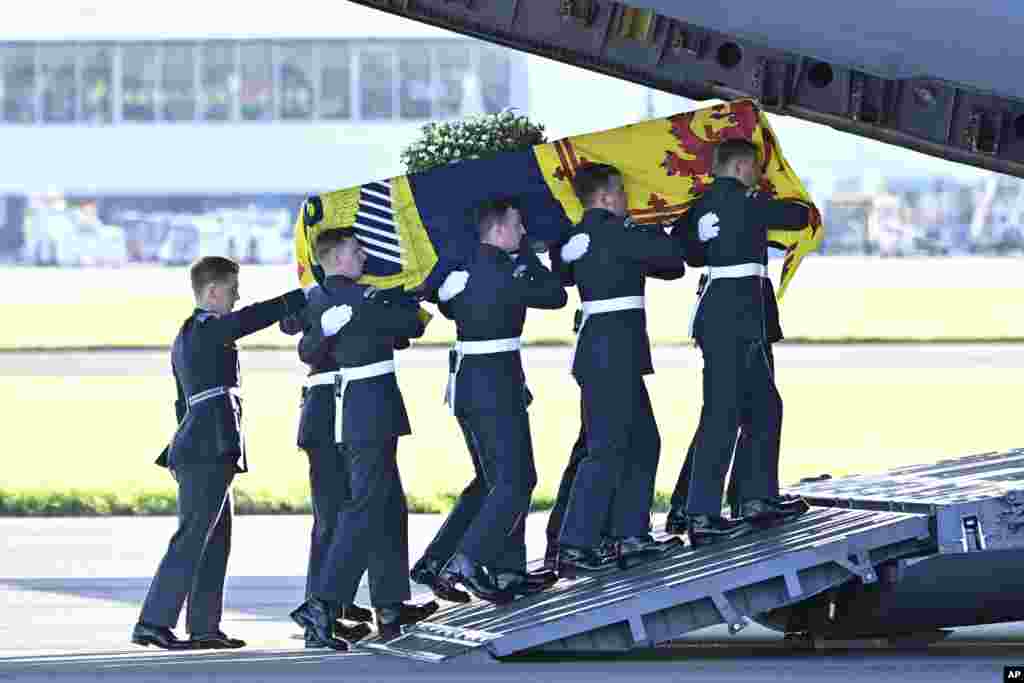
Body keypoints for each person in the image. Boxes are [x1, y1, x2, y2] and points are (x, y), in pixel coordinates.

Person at [133, 256, 307, 650]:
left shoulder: (194, 333)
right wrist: (299, 298)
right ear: (212, 292)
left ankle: (204, 627)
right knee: (193, 536)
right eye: (232, 290)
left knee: (215, 538)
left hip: (208, 445)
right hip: (204, 447)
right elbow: (246, 321)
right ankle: (153, 621)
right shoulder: (205, 328)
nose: (237, 297)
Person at [410, 198, 567, 604]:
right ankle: (471, 560)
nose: (522, 233)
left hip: (471, 384)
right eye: (518, 226)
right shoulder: (501, 269)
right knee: (516, 480)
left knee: (491, 482)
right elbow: (555, 296)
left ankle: (486, 569)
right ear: (499, 232)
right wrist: (530, 258)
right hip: (494, 385)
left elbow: (442, 299)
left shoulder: (461, 268)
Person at [288, 229, 436, 650]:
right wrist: (415, 292)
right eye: (357, 250)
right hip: (366, 412)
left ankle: (389, 603)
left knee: (388, 504)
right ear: (335, 258)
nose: (364, 255)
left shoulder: (318, 299)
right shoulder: (361, 298)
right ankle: (324, 604)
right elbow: (412, 326)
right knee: (366, 505)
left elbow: (299, 331)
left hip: (352, 411)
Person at [553, 164, 687, 576]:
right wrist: (651, 225)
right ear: (609, 196)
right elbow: (672, 263)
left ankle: (629, 534)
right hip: (613, 354)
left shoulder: (574, 237)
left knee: (643, 441)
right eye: (623, 193)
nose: (628, 198)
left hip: (604, 353)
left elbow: (561, 271)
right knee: (607, 450)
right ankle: (577, 543)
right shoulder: (621, 232)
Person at [678, 139, 810, 547]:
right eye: (755, 168)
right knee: (725, 413)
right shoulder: (744, 202)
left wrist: (693, 234)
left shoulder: (700, 207)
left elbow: (685, 250)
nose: (759, 175)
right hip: (737, 320)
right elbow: (798, 215)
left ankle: (754, 498)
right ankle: (703, 512)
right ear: (739, 169)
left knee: (762, 407)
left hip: (727, 318)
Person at [279, 292, 376, 647]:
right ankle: (319, 616)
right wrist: (318, 315)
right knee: (333, 518)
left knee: (338, 518)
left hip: (336, 410)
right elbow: (290, 324)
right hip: (325, 412)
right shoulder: (319, 294)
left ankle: (328, 613)